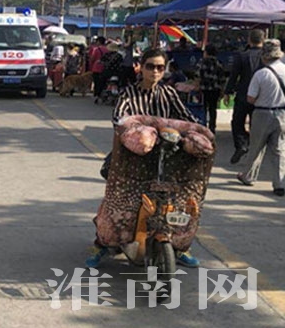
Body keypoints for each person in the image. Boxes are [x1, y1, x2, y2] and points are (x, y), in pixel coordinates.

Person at [88, 48, 201, 269]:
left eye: (160, 67)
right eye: (150, 66)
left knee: (178, 202)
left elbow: (187, 119)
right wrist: (137, 132)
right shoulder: (128, 94)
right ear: (141, 68)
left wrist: (195, 133)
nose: (155, 72)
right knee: (118, 201)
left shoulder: (169, 94)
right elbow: (119, 119)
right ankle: (102, 243)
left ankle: (179, 247)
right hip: (132, 158)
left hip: (167, 157)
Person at [236, 40, 285, 197]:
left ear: (264, 56)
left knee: (256, 146)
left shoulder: (261, 74)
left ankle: (248, 176)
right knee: (279, 149)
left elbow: (250, 98)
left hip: (262, 113)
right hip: (282, 113)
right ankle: (280, 183)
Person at [223, 29, 265, 165]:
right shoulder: (266, 58)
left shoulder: (241, 56)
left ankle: (241, 144)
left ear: (249, 40)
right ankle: (254, 150)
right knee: (256, 124)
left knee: (237, 122)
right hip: (260, 97)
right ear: (263, 40)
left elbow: (234, 76)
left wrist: (227, 92)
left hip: (243, 95)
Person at [197, 44, 224, 134]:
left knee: (203, 109)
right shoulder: (219, 63)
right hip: (215, 90)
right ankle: (212, 128)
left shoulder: (202, 62)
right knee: (213, 109)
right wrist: (222, 90)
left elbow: (198, 76)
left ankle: (203, 127)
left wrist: (197, 87)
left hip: (204, 90)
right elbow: (222, 78)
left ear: (206, 52)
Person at [90, 36, 108, 100]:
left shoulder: (96, 49)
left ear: (99, 42)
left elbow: (92, 58)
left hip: (96, 68)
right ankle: (102, 94)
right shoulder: (107, 49)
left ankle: (96, 95)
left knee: (96, 82)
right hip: (104, 68)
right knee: (103, 82)